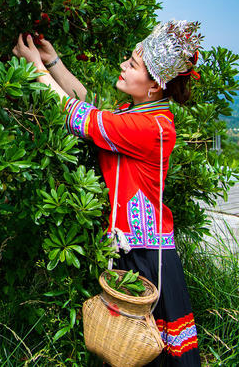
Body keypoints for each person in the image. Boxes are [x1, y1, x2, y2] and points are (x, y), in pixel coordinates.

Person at [12, 21, 201, 366]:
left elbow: (84, 119)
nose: (123, 66)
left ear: (155, 87)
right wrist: (53, 62)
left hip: (147, 256)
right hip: (134, 248)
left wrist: (37, 69)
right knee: (131, 348)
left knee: (148, 350)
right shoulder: (144, 114)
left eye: (133, 64)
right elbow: (90, 107)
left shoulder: (152, 128)